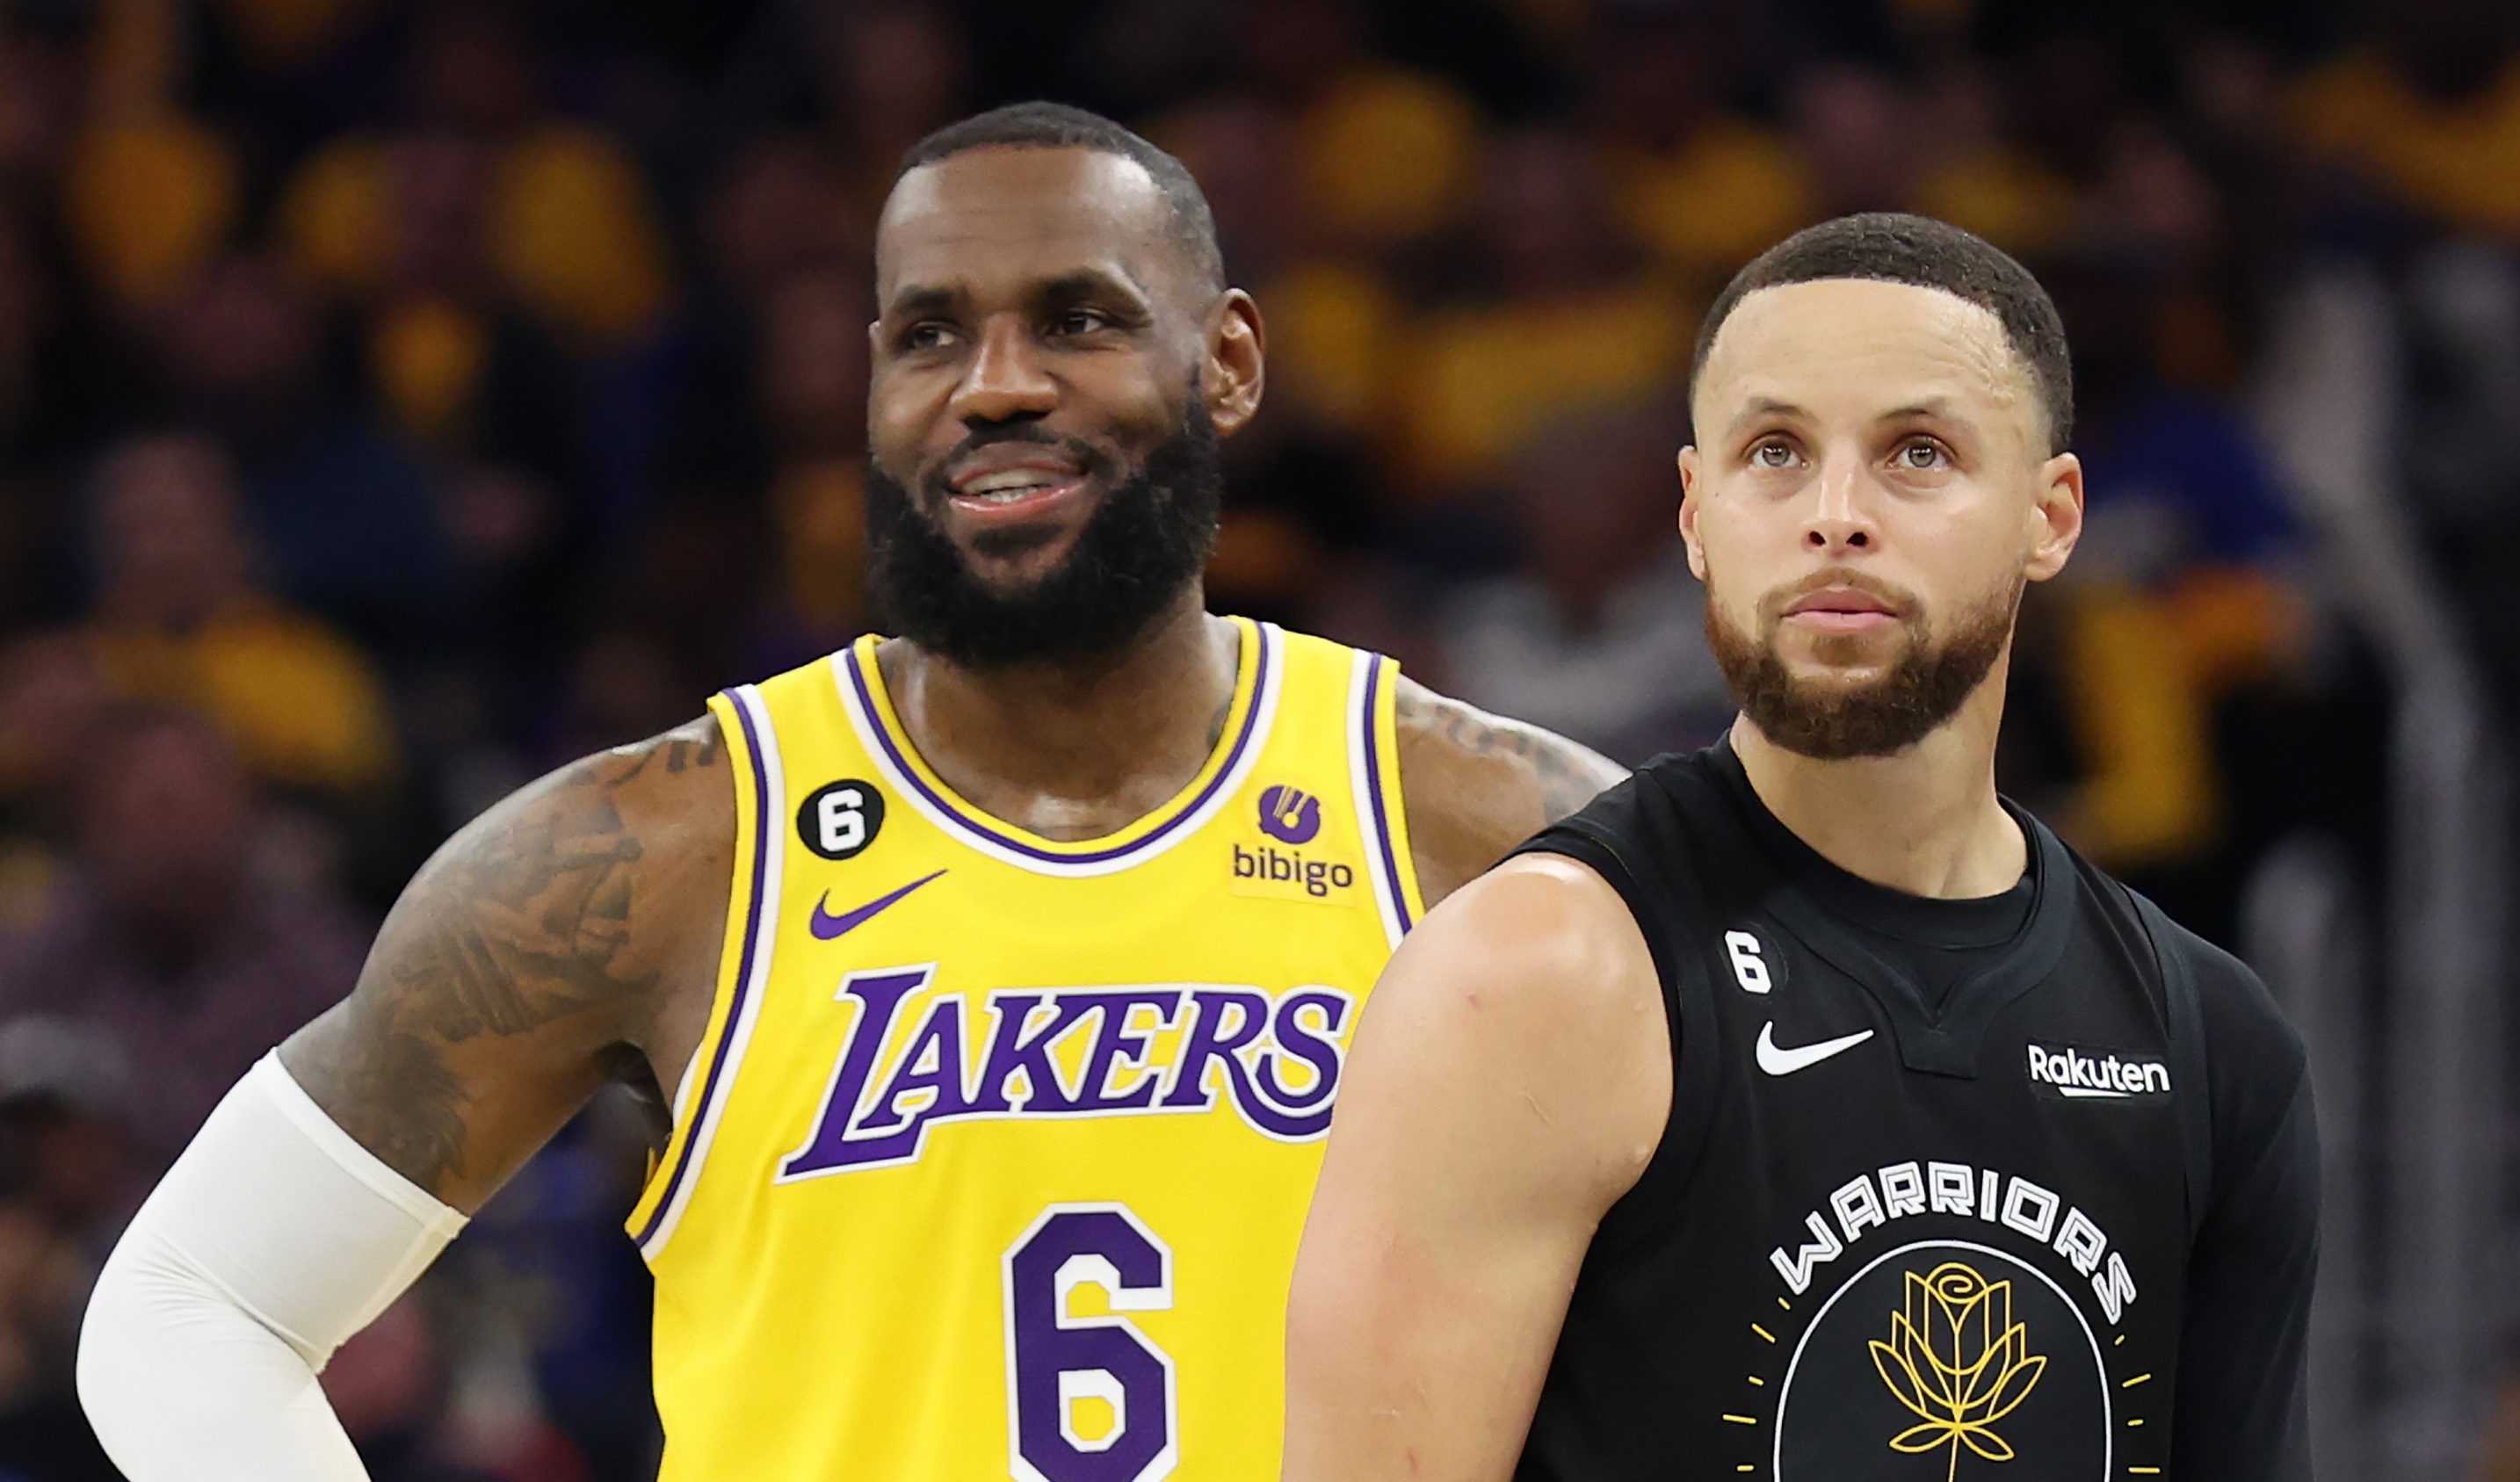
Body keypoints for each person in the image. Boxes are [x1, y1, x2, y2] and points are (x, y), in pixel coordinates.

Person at [76, 103, 1623, 1482]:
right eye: (929, 334)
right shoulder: (660, 850)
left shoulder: (1488, 835)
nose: (995, 385)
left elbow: (1801, 1291)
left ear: (1226, 362)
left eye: (1076, 319)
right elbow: (185, 1310)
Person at [1283, 213, 2319, 1482]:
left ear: (2050, 517)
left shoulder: (2214, 1039)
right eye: (1775, 452)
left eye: (1918, 454)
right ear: (1696, 513)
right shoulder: (1535, 975)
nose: (1837, 514)